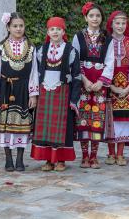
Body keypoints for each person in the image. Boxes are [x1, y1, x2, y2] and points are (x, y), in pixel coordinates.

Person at [31, 17, 81, 171]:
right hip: (45, 92)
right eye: (52, 29)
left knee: (62, 127)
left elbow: (77, 76)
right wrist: (34, 93)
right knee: (45, 127)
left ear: (63, 32)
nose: (55, 32)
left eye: (58, 29)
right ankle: (48, 160)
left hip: (63, 92)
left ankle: (61, 160)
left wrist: (74, 99)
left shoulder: (71, 50)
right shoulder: (41, 50)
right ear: (48, 32)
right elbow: (34, 72)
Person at [0, 12, 39, 172]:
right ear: (8, 27)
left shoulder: (32, 49)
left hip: (24, 90)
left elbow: (34, 73)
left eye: (21, 26)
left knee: (23, 124)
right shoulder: (0, 48)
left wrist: (33, 94)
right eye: (15, 26)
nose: (18, 29)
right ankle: (8, 159)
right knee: (5, 124)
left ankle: (20, 159)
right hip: (6, 89)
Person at [72, 2, 114, 169]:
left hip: (99, 83)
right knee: (83, 119)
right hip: (84, 82)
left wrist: (100, 82)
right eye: (91, 16)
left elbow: (110, 62)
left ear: (101, 18)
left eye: (97, 15)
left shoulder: (107, 38)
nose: (95, 18)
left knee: (97, 118)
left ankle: (94, 156)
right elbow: (76, 60)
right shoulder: (78, 37)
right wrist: (85, 80)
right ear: (85, 18)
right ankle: (84, 156)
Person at [105, 11, 129, 166]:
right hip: (109, 82)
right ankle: (110, 153)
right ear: (111, 24)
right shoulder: (106, 41)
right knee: (110, 120)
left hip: (126, 83)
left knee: (123, 120)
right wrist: (110, 86)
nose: (120, 26)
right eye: (117, 23)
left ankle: (120, 154)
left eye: (123, 23)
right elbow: (104, 64)